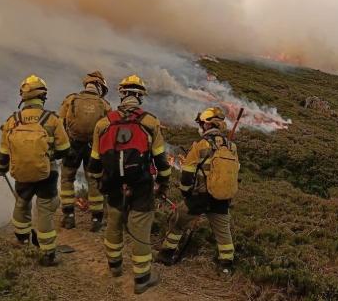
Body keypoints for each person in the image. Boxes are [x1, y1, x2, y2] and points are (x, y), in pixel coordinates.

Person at [88, 74, 171, 294]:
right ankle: (142, 279)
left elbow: (94, 162)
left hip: (114, 183)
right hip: (142, 184)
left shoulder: (104, 123)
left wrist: (100, 181)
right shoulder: (150, 122)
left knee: (114, 223)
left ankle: (114, 267)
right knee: (140, 229)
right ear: (140, 96)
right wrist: (163, 184)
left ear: (122, 94)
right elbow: (162, 161)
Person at [0, 75, 71, 266]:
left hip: (21, 171)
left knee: (21, 204)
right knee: (45, 210)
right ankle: (48, 254)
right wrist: (48, 155)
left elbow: (4, 152)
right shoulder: (52, 119)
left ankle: (21, 242)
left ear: (23, 96)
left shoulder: (13, 120)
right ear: (43, 96)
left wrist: (1, 168)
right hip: (47, 173)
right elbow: (64, 149)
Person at [156, 107, 237, 275]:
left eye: (202, 123)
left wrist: (186, 193)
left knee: (177, 219)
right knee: (223, 233)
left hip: (200, 197)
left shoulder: (201, 145)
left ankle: (166, 254)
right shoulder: (231, 146)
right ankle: (226, 266)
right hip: (222, 197)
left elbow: (187, 173)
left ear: (208, 125)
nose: (201, 126)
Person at [59, 71, 111, 232]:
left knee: (67, 179)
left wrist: (62, 146)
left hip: (72, 146)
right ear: (100, 86)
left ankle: (68, 217)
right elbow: (109, 130)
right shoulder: (105, 105)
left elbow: (60, 124)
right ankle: (96, 219)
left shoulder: (71, 100)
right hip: (93, 149)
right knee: (94, 181)